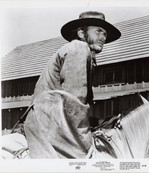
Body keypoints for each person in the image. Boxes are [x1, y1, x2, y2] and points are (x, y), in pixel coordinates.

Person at [24, 11, 121, 158]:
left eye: (105, 34)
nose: (103, 37)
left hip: (52, 123)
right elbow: (74, 103)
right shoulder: (79, 48)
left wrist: (100, 121)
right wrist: (86, 144)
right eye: (98, 31)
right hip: (48, 127)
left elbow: (74, 106)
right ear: (82, 33)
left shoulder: (81, 52)